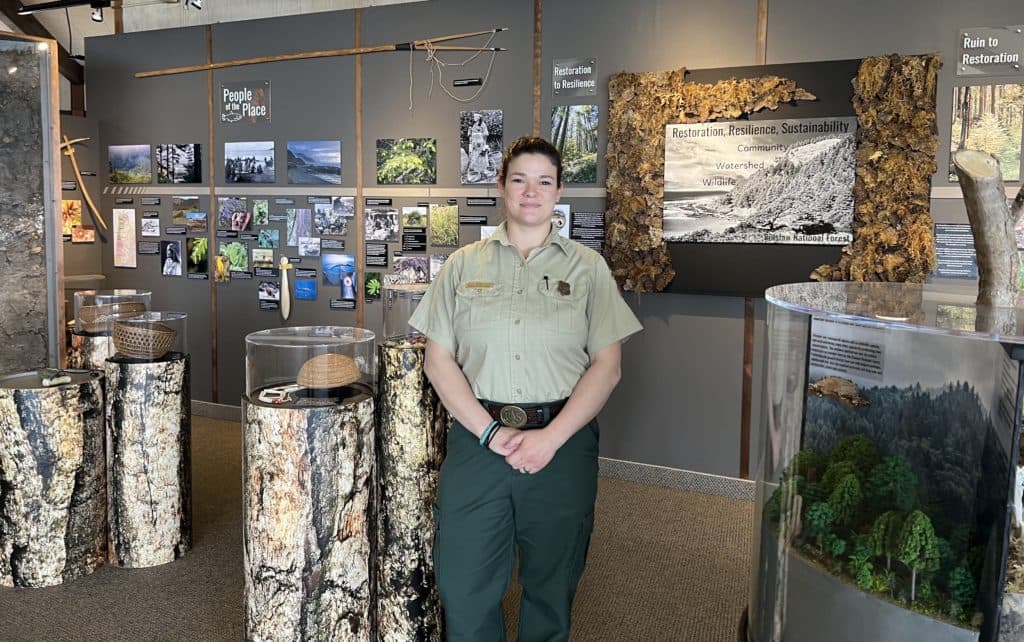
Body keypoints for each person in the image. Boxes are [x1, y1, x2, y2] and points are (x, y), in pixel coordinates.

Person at [409, 136, 642, 641]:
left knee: (552, 585)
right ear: (502, 187)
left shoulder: (588, 269)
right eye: (519, 179)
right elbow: (437, 359)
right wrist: (491, 433)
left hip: (562, 443)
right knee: (462, 584)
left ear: (558, 192)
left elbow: (608, 365)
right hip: (477, 441)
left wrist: (551, 438)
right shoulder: (462, 266)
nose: (530, 192)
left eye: (543, 181)